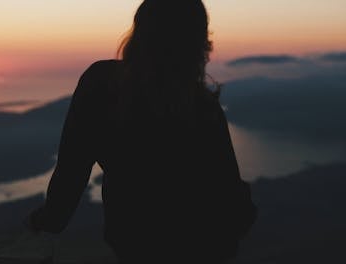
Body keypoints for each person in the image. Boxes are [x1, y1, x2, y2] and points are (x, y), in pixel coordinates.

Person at [27, 1, 257, 263]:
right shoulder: (202, 108)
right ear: (199, 44)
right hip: (207, 248)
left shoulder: (101, 85)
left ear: (139, 34)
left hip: (134, 245)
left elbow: (72, 171)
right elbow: (234, 205)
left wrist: (45, 222)